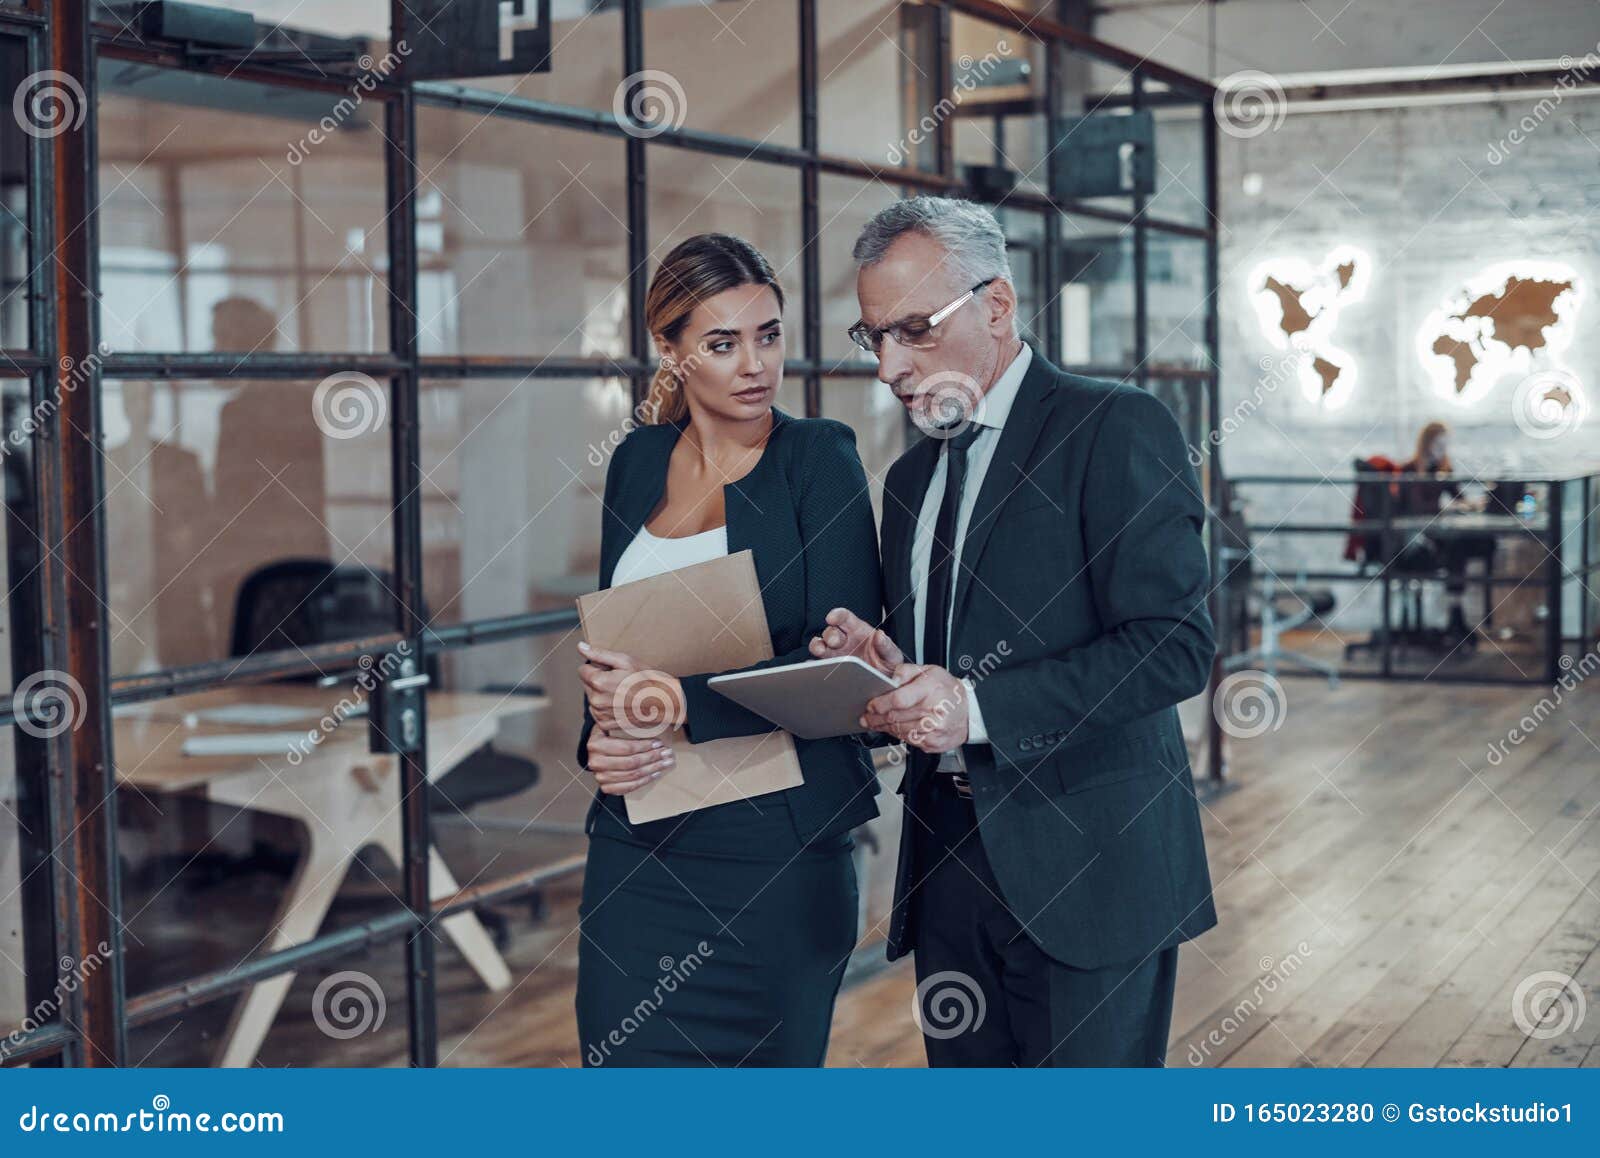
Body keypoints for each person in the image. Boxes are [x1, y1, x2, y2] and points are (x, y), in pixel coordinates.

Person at [809, 196, 1217, 1066]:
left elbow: (1173, 644)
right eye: (873, 335)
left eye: (913, 330)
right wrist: (887, 668)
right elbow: (945, 663)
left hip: (1091, 868)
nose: (889, 365)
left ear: (996, 306)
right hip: (948, 865)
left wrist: (978, 707)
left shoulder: (1114, 428)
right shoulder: (911, 481)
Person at [573, 233, 883, 1067]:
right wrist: (601, 735)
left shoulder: (818, 460)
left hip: (776, 853)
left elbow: (841, 680)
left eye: (769, 335)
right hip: (641, 852)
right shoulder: (636, 462)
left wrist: (679, 701)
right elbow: (615, 641)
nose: (756, 364)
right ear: (669, 352)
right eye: (721, 343)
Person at [1399, 420, 1494, 646]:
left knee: (1464, 547)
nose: (1442, 450)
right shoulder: (1409, 470)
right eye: (1438, 444)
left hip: (1438, 533)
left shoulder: (1444, 469)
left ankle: (1456, 615)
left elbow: (1458, 497)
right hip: (1416, 537)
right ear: (1427, 443)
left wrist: (1479, 502)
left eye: (1445, 445)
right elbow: (1414, 508)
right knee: (1455, 549)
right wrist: (1446, 508)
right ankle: (1455, 617)